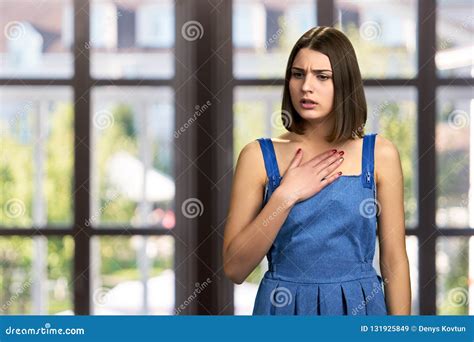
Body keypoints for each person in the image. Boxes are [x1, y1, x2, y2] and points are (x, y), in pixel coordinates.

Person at [223, 26, 411, 315]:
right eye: (298, 74)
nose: (306, 86)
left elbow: (395, 260)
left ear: (345, 84)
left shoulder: (380, 155)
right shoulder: (257, 156)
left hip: (361, 308)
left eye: (322, 76)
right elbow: (235, 269)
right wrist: (286, 195)